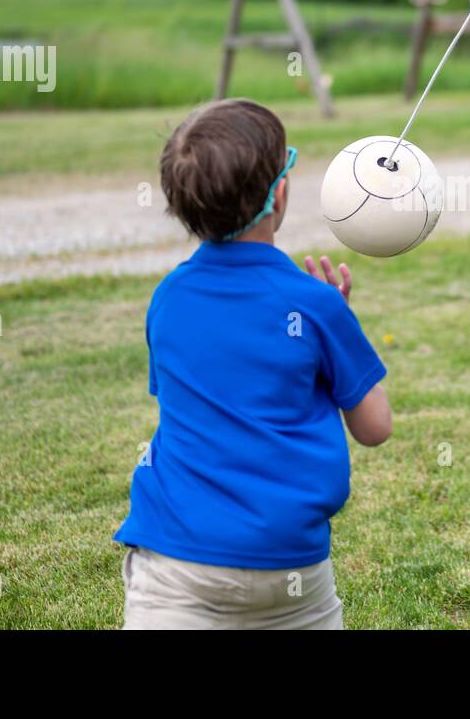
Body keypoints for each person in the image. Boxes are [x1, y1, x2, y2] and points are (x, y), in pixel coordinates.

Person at [115, 99, 391, 629]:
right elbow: (375, 428)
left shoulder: (168, 298)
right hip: (290, 569)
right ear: (280, 193)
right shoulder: (317, 305)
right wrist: (336, 327)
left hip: (177, 564)